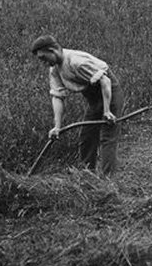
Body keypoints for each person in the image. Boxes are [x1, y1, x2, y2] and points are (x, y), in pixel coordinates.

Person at [31, 35, 124, 176]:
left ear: (52, 50)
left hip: (109, 92)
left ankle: (108, 182)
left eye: (44, 58)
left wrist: (107, 111)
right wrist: (57, 126)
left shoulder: (76, 62)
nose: (44, 63)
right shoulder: (55, 69)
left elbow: (105, 82)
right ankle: (88, 176)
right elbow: (57, 97)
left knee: (108, 136)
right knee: (87, 136)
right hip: (93, 97)